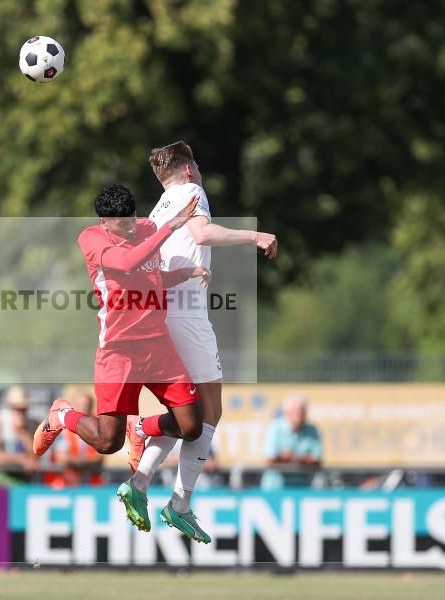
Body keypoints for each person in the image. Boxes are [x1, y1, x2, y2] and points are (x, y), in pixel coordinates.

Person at [122, 140, 278, 544]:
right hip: (183, 315)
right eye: (198, 164)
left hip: (158, 312)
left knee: (188, 414)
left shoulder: (159, 207)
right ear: (188, 169)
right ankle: (178, 501)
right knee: (211, 410)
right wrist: (255, 235)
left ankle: (139, 484)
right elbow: (202, 233)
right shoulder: (191, 193)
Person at [32, 184, 208, 527]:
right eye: (121, 225)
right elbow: (127, 263)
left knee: (192, 427)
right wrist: (170, 226)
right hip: (119, 352)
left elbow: (150, 277)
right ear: (103, 222)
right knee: (107, 442)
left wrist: (182, 274)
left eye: (132, 220)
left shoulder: (145, 229)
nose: (130, 228)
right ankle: (62, 415)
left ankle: (141, 427)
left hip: (158, 347)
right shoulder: (92, 240)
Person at [43, 386, 105, 488]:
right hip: (62, 484)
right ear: (73, 407)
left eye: (87, 406)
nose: (84, 409)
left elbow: (99, 458)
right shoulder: (62, 427)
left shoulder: (98, 428)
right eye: (81, 406)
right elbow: (62, 458)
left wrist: (76, 460)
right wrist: (86, 461)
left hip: (89, 486)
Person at [261, 393, 322, 491]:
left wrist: (294, 458)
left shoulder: (312, 430)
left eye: (301, 411)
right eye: (295, 411)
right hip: (276, 488)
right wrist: (287, 458)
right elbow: (270, 458)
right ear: (287, 412)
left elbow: (317, 459)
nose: (298, 414)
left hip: (302, 487)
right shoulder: (275, 428)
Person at [0, 386, 38, 487]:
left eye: (23, 410)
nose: (21, 414)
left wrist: (23, 432)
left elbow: (36, 455)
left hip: (21, 478)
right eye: (17, 409)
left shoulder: (32, 424)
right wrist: (21, 459)